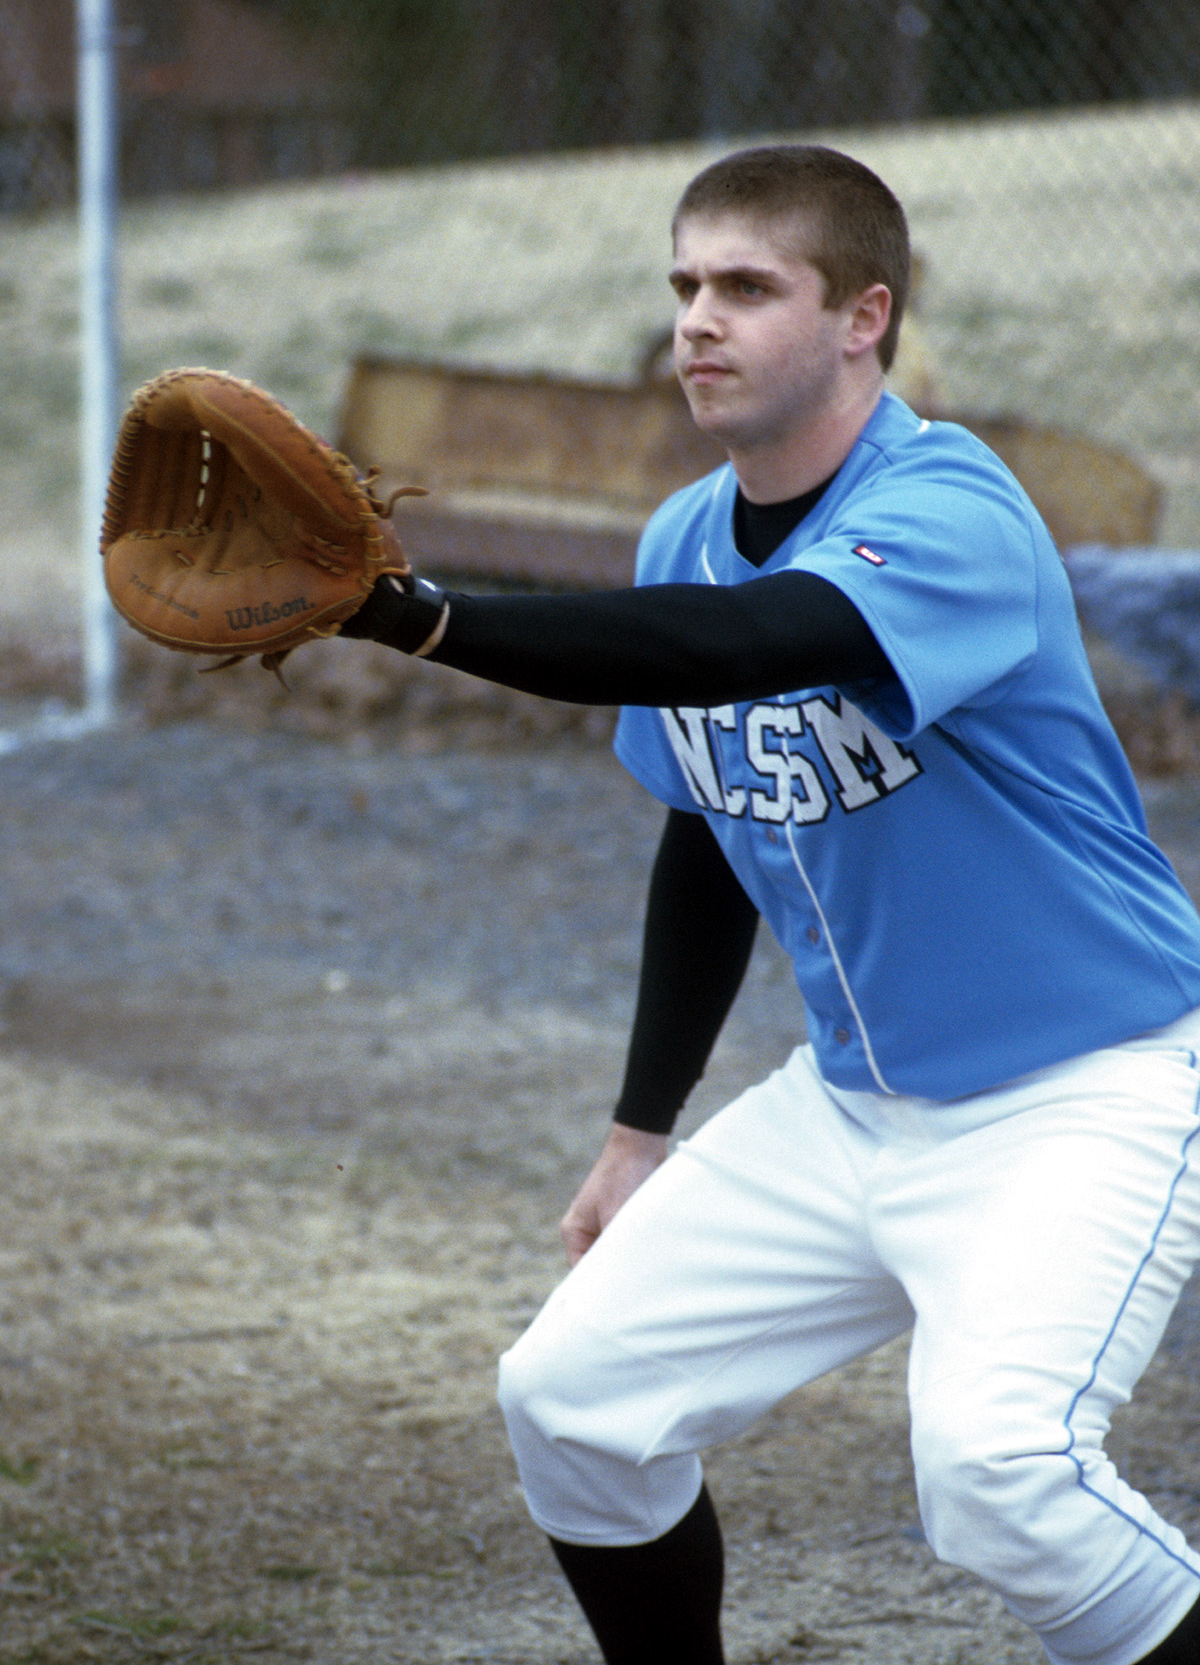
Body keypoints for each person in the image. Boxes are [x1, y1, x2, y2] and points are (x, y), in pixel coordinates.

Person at [340, 144, 1200, 1664]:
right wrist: (639, 1130)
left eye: (748, 286)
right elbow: (707, 829)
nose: (697, 320)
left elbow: (740, 648)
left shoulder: (954, 505)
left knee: (1003, 1479)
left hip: (1087, 1091)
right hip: (855, 1109)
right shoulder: (683, 535)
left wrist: (412, 617)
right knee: (573, 1403)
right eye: (684, 284)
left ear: (866, 316)